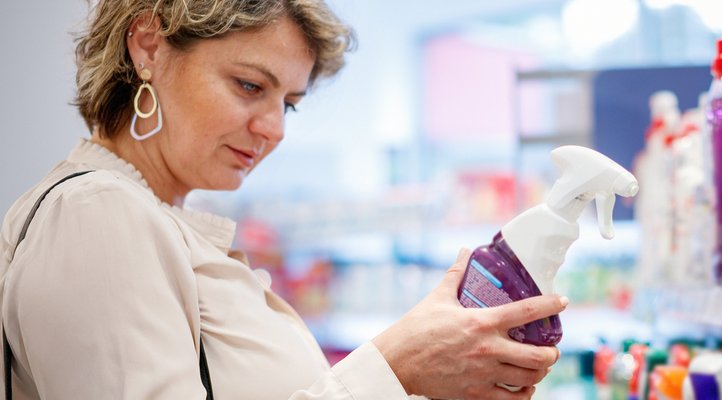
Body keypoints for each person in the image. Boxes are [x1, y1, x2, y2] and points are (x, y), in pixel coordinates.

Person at [0, 1, 567, 399]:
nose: (274, 128)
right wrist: (397, 367)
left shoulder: (153, 218)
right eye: (250, 85)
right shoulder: (95, 214)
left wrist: (430, 377)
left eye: (289, 103)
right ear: (148, 46)